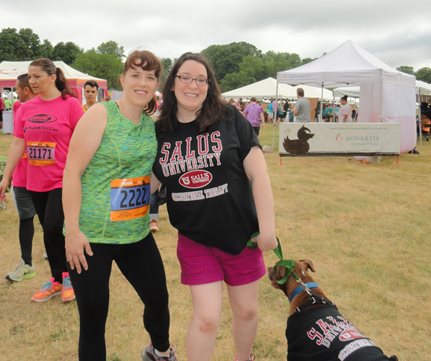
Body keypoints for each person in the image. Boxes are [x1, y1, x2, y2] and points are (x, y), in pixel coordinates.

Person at [152, 52, 277, 361]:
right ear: (172, 83)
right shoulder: (159, 131)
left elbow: (258, 174)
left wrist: (268, 230)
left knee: (246, 311)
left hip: (241, 235)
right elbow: (148, 183)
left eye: (201, 79)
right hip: (196, 239)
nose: (192, 85)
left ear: (209, 85)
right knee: (207, 318)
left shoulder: (229, 118)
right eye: (185, 77)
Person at [62, 50, 176, 361]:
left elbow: (148, 179)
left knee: (158, 300)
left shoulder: (152, 125)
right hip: (91, 237)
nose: (143, 82)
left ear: (157, 85)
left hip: (136, 233)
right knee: (94, 319)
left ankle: (160, 352)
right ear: (122, 79)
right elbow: (71, 173)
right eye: (136, 75)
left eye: (150, 77)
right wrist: (72, 231)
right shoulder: (100, 115)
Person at [0, 58, 83, 303]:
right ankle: (58, 279)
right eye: (30, 76)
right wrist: (6, 177)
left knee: (54, 226)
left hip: (63, 179)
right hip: (35, 181)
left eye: (37, 76)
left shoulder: (71, 105)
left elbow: (83, 141)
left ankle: (69, 277)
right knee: (48, 230)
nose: (32, 81)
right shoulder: (26, 108)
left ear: (52, 76)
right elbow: (18, 142)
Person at [5, 73, 38, 282]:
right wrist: (7, 175)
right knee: (26, 218)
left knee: (52, 221)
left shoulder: (52, 108)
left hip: (45, 177)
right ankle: (26, 262)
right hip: (22, 177)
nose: (16, 92)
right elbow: (17, 143)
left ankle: (58, 261)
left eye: (18, 89)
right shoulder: (20, 108)